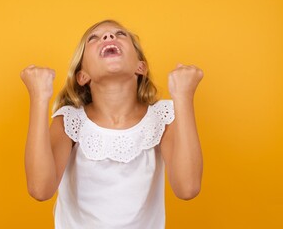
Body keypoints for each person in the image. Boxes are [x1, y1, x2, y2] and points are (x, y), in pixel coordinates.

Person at [20, 19, 204, 229]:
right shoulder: (70, 121)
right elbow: (40, 189)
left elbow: (188, 188)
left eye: (120, 34)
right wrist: (39, 97)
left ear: (140, 66)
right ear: (82, 76)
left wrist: (183, 96)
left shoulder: (161, 118)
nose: (108, 37)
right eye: (94, 38)